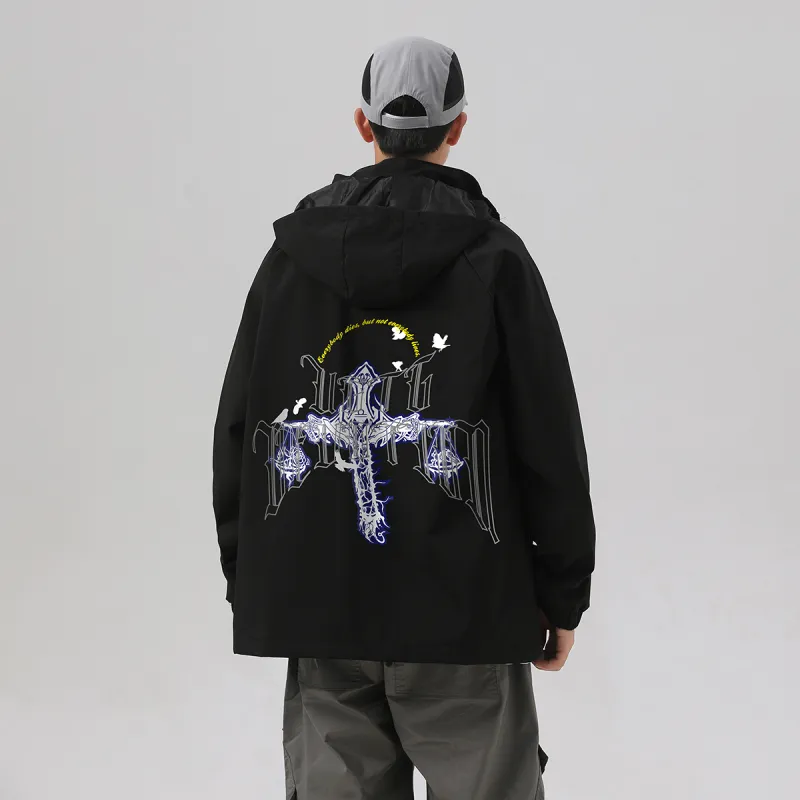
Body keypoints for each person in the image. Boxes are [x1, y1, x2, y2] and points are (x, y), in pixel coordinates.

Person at [212, 35, 595, 800]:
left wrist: (253, 579)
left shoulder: (288, 263)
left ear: (363, 124)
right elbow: (548, 437)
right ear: (459, 127)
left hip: (321, 606)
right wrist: (562, 594)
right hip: (465, 611)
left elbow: (244, 431)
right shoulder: (495, 259)